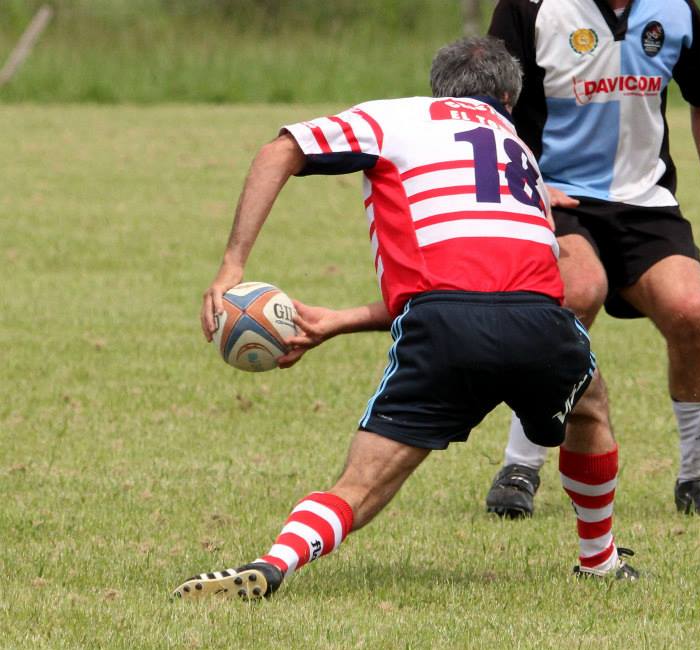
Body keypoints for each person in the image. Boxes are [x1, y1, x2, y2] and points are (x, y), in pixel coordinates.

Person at [173, 36, 638, 601]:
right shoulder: (519, 152)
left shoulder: (396, 116)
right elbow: (494, 283)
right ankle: (600, 559)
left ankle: (274, 564)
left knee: (363, 484)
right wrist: (341, 320)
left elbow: (280, 151)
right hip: (541, 322)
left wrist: (231, 267)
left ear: (437, 88)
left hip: (444, 328)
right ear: (509, 99)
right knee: (589, 405)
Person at [483, 0, 700, 519]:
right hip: (555, 195)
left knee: (692, 311)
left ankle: (698, 475)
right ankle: (520, 464)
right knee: (575, 293)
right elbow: (485, 109)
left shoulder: (674, 7)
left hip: (645, 203)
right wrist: (524, 186)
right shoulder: (529, 7)